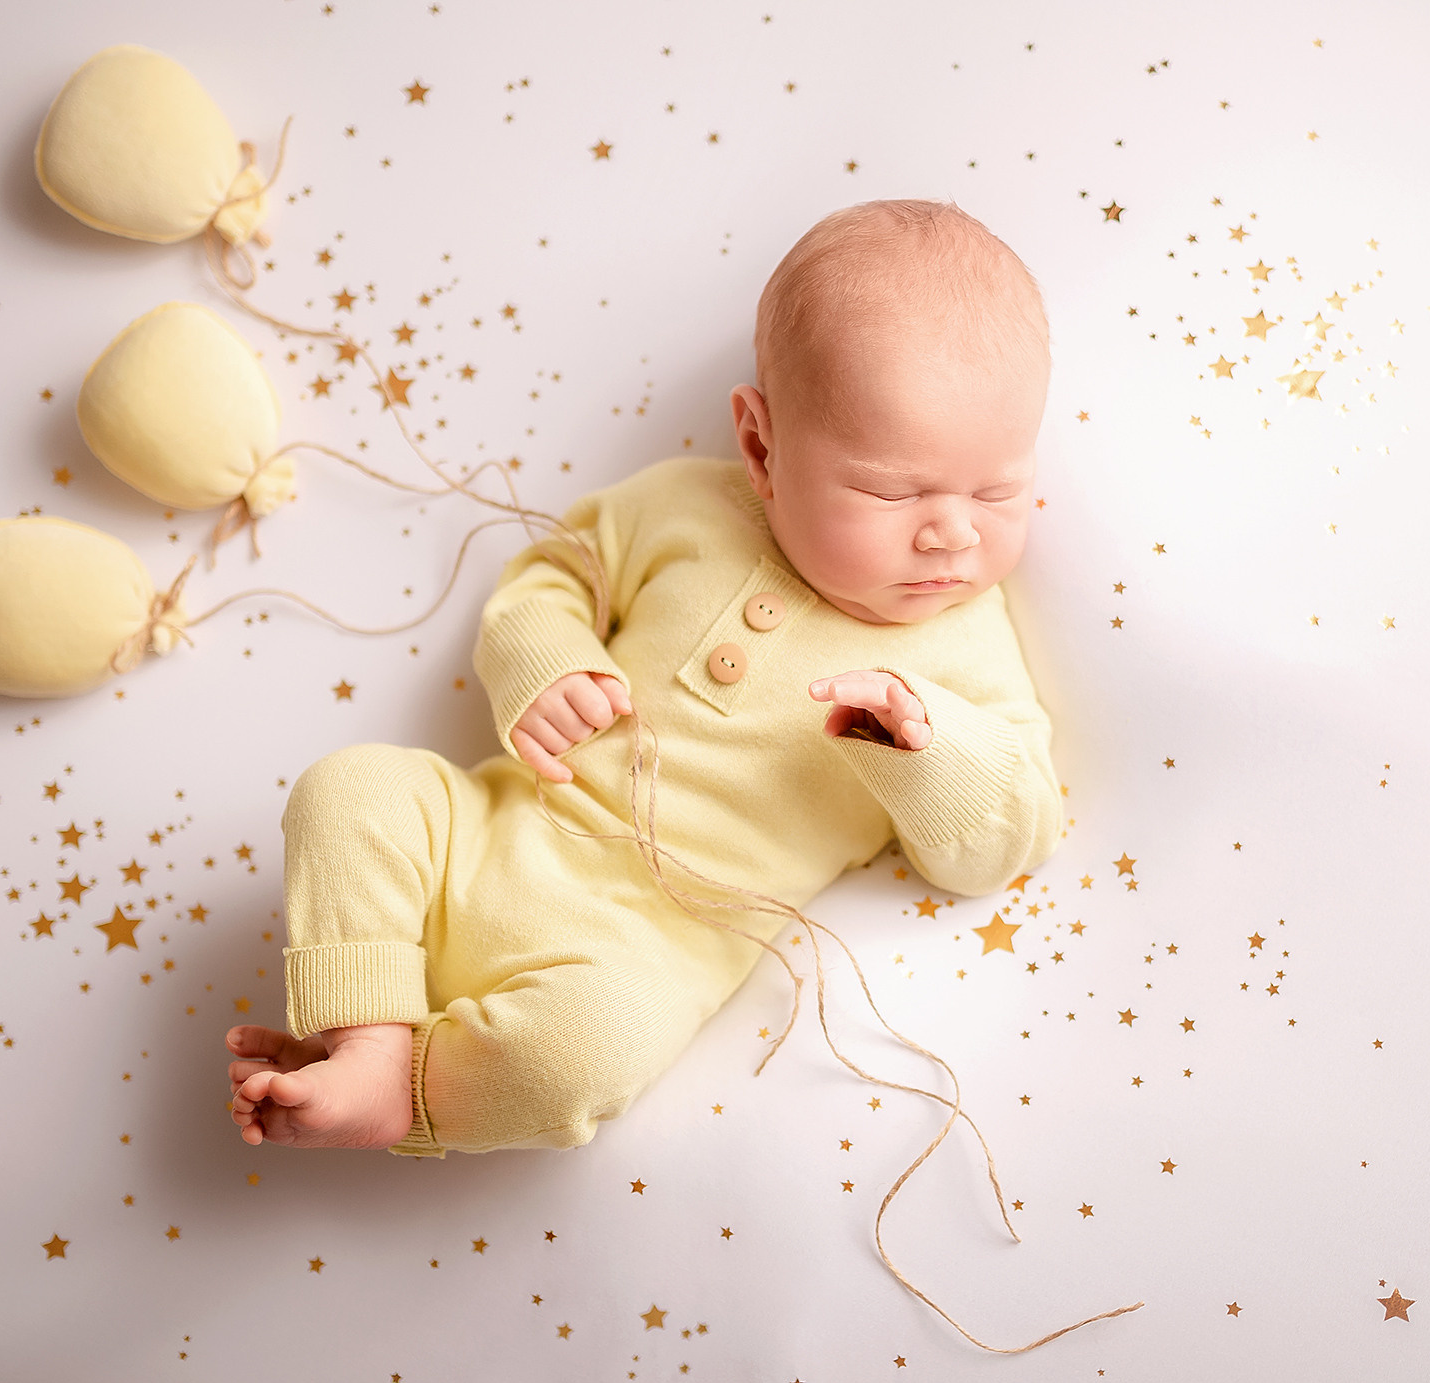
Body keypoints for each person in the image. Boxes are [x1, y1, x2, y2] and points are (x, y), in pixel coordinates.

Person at [225, 198, 1061, 1157]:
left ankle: (404, 1092)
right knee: (353, 788)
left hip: (640, 947)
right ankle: (366, 1032)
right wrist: (545, 663)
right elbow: (556, 572)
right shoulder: (688, 506)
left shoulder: (967, 642)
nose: (952, 531)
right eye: (889, 488)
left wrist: (932, 750)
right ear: (760, 446)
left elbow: (1013, 833)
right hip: (496, 827)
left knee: (583, 1053)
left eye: (999, 489)